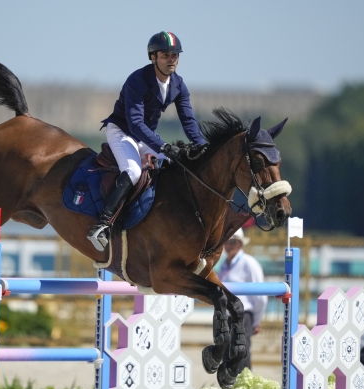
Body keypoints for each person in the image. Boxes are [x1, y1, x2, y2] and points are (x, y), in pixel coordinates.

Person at [87, 31, 209, 251]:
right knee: (133, 171)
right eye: (165, 55)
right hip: (122, 131)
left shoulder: (178, 85)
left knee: (175, 166)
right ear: (153, 57)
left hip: (146, 136)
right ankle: (103, 224)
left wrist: (202, 145)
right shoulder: (138, 80)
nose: (172, 59)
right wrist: (162, 146)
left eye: (175, 55)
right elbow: (134, 123)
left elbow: (189, 121)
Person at [218, 228, 267, 371]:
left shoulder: (249, 263)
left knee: (240, 354)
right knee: (227, 355)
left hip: (242, 316)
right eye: (226, 242)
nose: (228, 245)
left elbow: (260, 296)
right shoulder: (224, 265)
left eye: (232, 242)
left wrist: (256, 321)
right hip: (227, 317)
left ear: (240, 244)